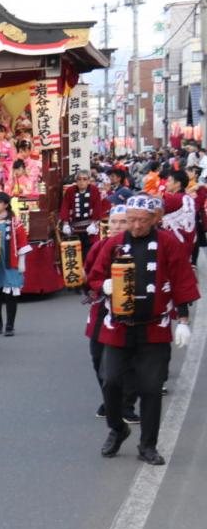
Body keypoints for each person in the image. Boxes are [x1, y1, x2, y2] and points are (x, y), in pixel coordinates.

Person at [87, 195, 198, 465]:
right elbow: (94, 275)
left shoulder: (167, 243)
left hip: (153, 327)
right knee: (111, 381)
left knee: (150, 388)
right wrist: (103, 286)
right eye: (131, 220)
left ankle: (148, 445)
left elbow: (182, 279)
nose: (135, 225)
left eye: (142, 220)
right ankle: (118, 428)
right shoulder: (113, 244)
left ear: (155, 219)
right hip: (118, 327)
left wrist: (183, 320)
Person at [83, 206, 137, 421]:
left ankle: (127, 404)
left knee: (128, 360)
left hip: (130, 312)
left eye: (122, 222)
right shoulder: (99, 246)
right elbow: (89, 276)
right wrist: (96, 286)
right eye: (113, 222)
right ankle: (110, 398)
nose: (116, 226)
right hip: (102, 309)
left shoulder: (139, 247)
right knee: (98, 357)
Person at [0, 192, 31, 337]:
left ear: (6, 204)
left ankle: (10, 325)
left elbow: (22, 242)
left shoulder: (15, 222)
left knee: (10, 293)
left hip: (10, 262)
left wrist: (22, 263)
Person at [60, 169, 106, 257]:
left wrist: (94, 224)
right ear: (76, 181)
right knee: (75, 248)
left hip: (90, 225)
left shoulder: (94, 190)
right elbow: (65, 207)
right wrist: (65, 224)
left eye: (84, 179)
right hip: (74, 225)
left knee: (89, 248)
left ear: (89, 181)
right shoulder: (70, 191)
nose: (81, 182)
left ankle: (87, 267)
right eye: (79, 179)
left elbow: (97, 208)